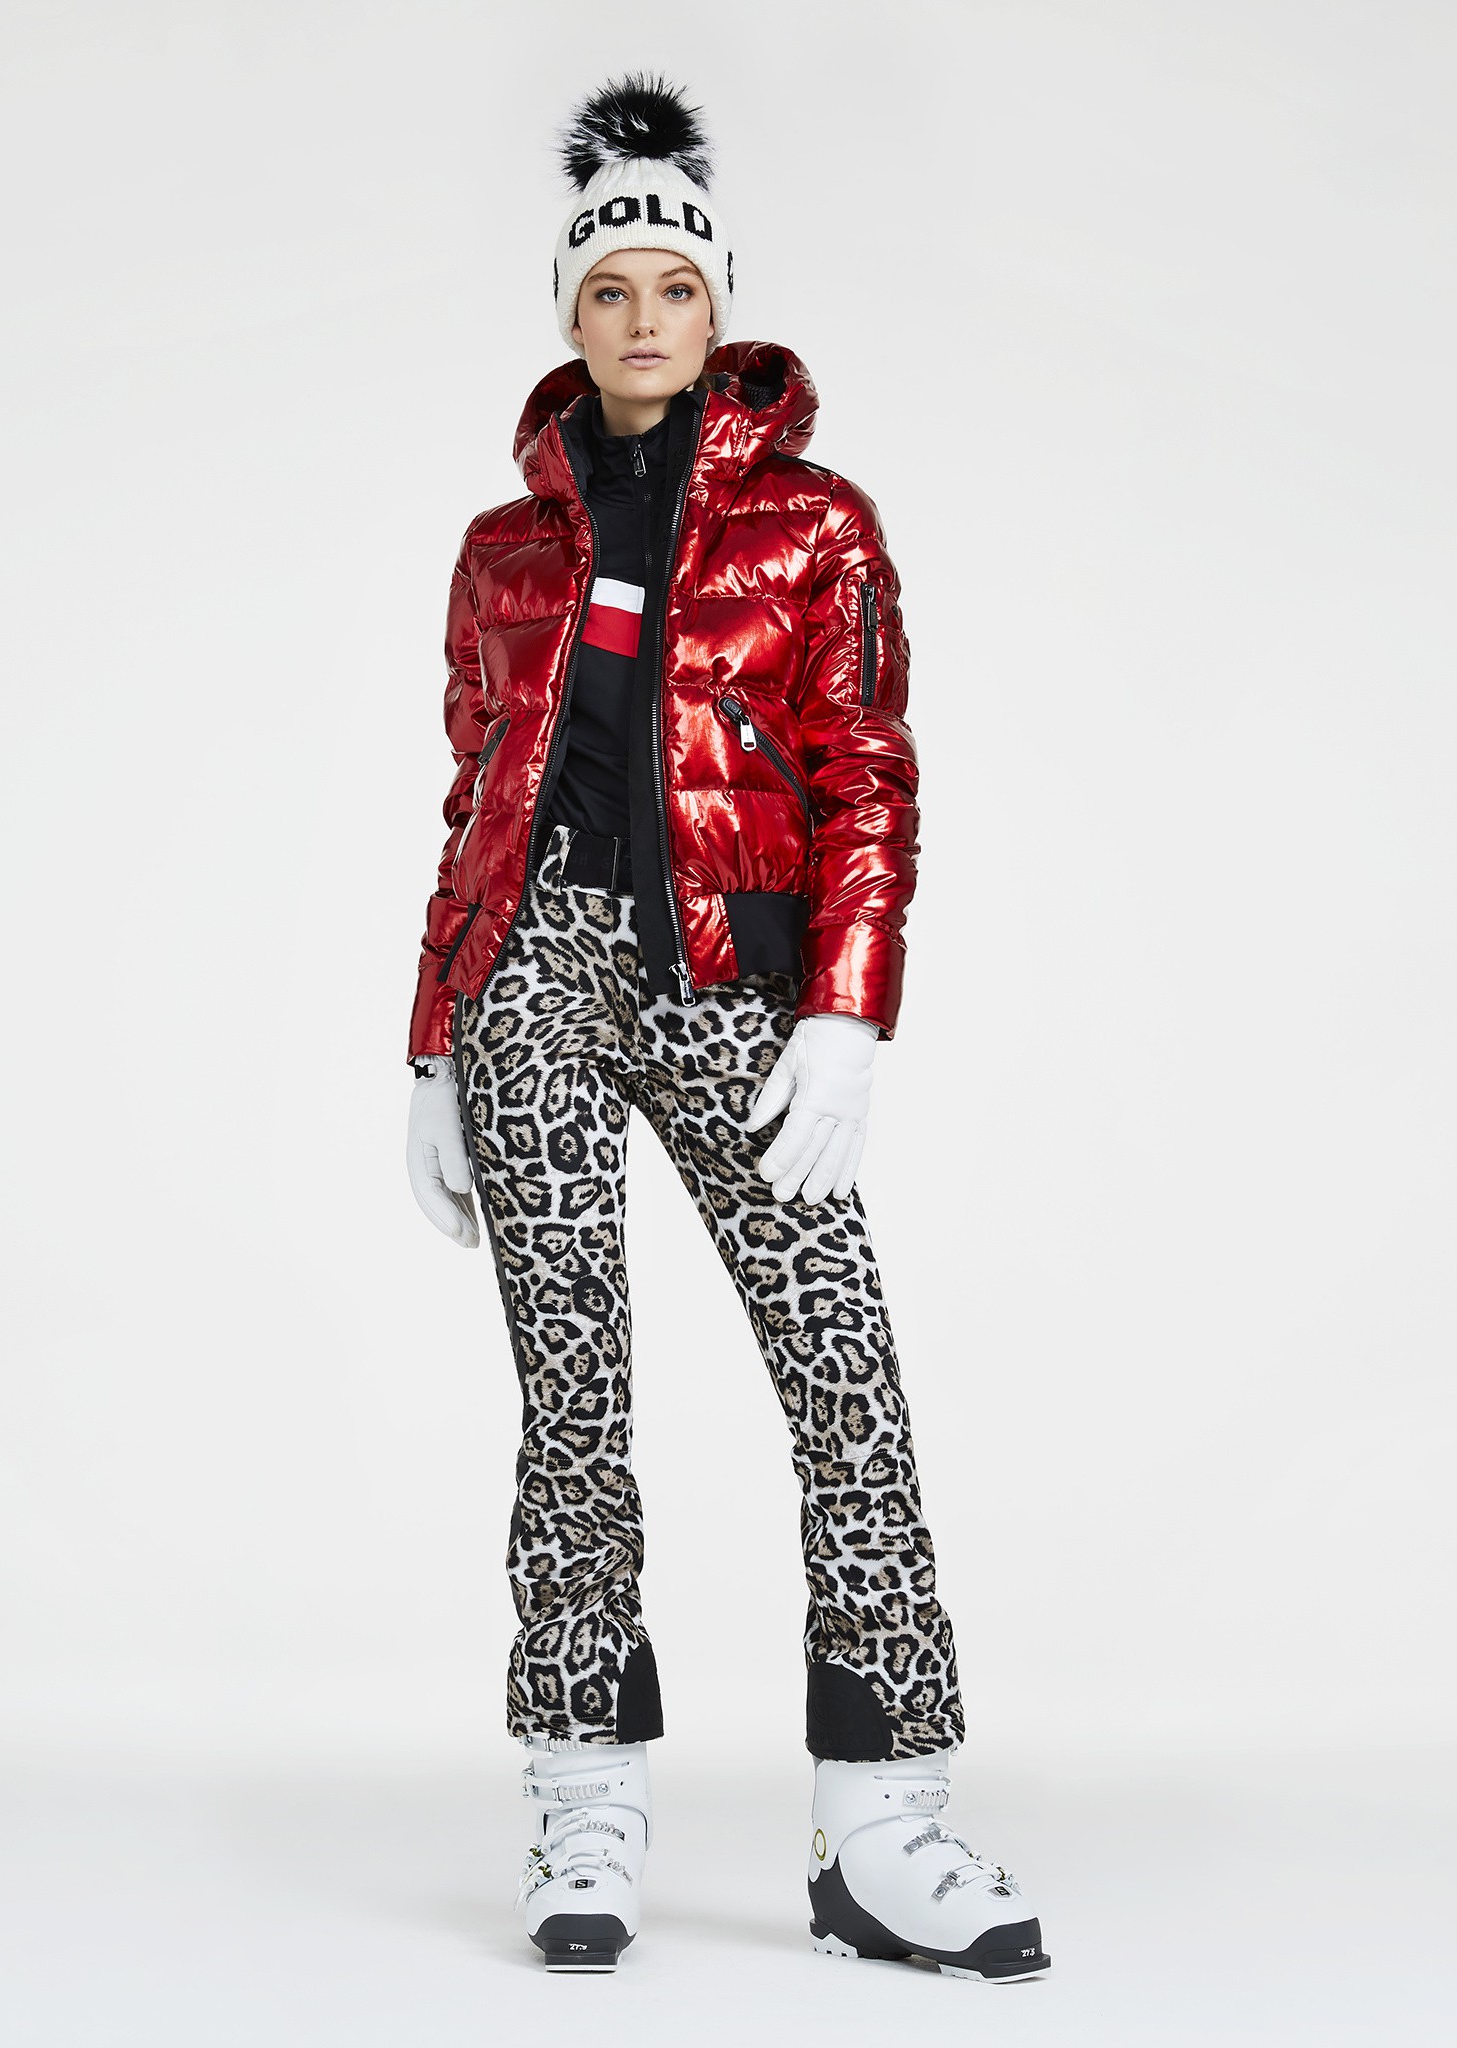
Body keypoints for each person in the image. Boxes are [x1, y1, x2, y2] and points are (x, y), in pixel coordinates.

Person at [404, 73, 1048, 1982]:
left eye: (671, 285)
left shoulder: (819, 523)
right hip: (534, 971)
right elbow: (473, 800)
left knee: (842, 1372)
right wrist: (433, 1039)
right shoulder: (502, 549)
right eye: (607, 288)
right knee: (571, 1398)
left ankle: (883, 1829)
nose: (641, 314)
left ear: (717, 303)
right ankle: (583, 1804)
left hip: (726, 979)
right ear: (570, 311)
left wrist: (845, 1015)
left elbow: (869, 773)